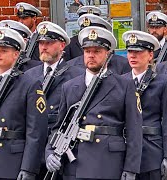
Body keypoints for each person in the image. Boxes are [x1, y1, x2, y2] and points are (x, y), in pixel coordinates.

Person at [45, 26, 143, 180]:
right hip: (76, 163)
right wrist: (50, 151)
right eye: (87, 51)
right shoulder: (69, 87)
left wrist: (131, 168)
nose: (91, 55)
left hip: (109, 163)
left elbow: (134, 130)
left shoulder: (124, 85)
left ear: (108, 54)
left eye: (97, 51)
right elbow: (60, 126)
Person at [0, 27, 48, 180]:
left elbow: (36, 130)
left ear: (16, 54)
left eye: (4, 50)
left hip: (11, 161)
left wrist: (29, 168)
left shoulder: (29, 84)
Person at [25, 21, 84, 180]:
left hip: (61, 148)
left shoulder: (77, 75)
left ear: (62, 45)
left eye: (49, 43)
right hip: (34, 148)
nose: (43, 47)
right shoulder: (29, 76)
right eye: (41, 43)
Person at [122, 30, 167, 180]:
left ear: (150, 55)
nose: (133, 56)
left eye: (138, 52)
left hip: (151, 151)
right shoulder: (119, 82)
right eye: (130, 51)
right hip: (124, 150)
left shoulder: (162, 82)